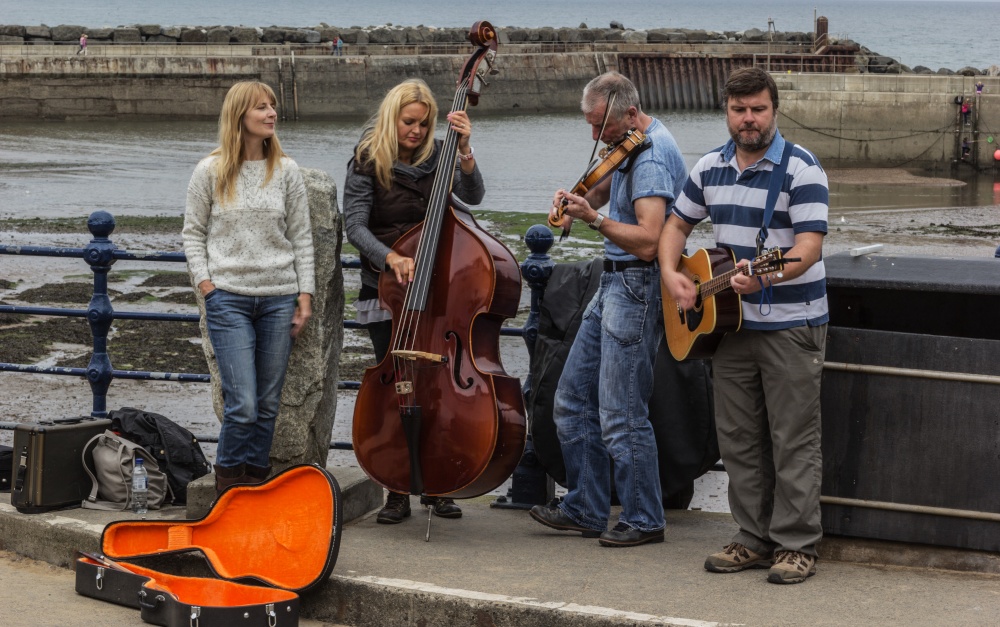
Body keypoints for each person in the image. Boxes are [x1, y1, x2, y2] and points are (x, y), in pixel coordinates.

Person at [659, 67, 829, 584]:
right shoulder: (709, 166)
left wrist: (766, 279)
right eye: (739, 110)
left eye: (757, 108)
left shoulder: (803, 169)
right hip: (728, 328)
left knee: (793, 438)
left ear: (774, 109)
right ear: (727, 112)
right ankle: (752, 538)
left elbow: (807, 248)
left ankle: (797, 545)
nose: (748, 119)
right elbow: (676, 224)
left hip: (791, 325)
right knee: (738, 438)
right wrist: (672, 273)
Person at [529, 71, 687, 548]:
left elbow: (648, 241)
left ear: (630, 114)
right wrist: (579, 199)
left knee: (621, 413)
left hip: (636, 285)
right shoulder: (629, 143)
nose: (595, 136)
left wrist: (593, 220)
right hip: (613, 284)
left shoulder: (652, 155)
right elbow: (601, 191)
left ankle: (644, 518)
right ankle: (587, 506)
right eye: (591, 125)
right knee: (572, 398)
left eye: (601, 126)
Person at [343, 78, 483, 524]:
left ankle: (438, 484)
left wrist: (463, 152)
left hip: (437, 292)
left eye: (424, 123)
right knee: (400, 386)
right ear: (392, 118)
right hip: (387, 291)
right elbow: (355, 226)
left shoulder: (439, 154)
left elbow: (474, 198)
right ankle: (398, 487)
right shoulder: (368, 159)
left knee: (438, 390)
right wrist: (390, 257)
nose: (418, 131)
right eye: (409, 122)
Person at [182, 81, 315, 495]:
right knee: (243, 405)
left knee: (269, 405)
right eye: (261, 107)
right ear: (240, 115)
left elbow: (302, 236)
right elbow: (192, 234)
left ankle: (254, 489)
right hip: (229, 301)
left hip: (279, 298)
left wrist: (305, 296)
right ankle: (227, 490)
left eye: (273, 106)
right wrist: (207, 286)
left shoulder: (286, 171)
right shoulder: (210, 170)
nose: (271, 113)